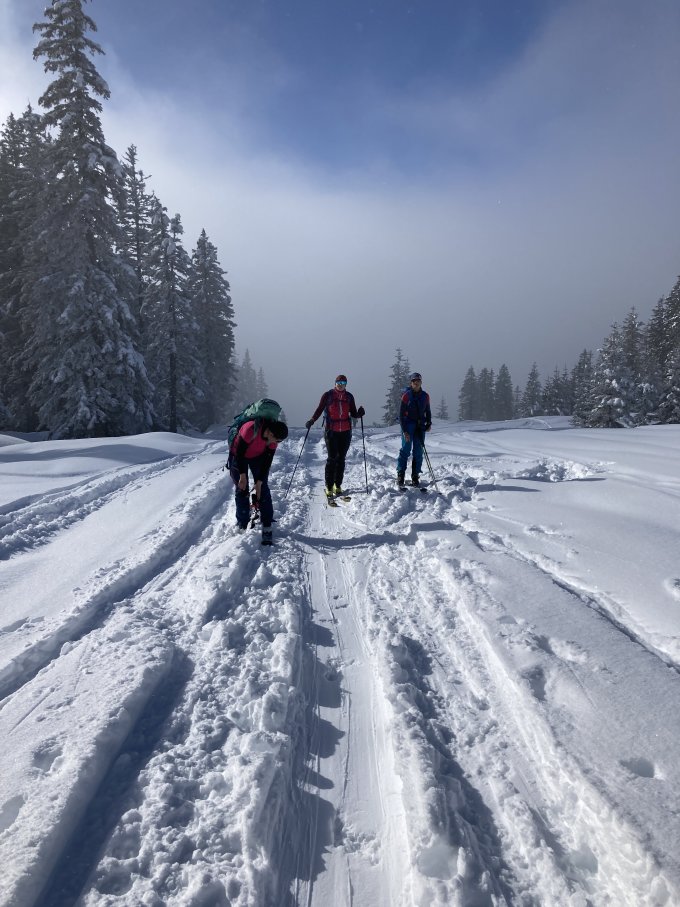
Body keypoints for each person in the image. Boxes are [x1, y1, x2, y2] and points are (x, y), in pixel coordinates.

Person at [228, 417, 288, 544]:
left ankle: (267, 523)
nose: (277, 443)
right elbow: (240, 453)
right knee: (242, 488)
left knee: (263, 488)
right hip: (238, 455)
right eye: (277, 440)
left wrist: (259, 482)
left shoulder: (273, 441)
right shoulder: (250, 429)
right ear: (270, 433)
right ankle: (242, 522)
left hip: (257, 456)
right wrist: (243, 476)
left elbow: (267, 461)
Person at [306, 374, 365, 498]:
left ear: (346, 384)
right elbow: (319, 409)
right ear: (335, 383)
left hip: (346, 432)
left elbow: (353, 413)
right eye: (339, 383)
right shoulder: (327, 395)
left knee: (341, 459)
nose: (341, 385)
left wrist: (360, 414)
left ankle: (337, 485)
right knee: (332, 458)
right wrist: (312, 420)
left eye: (343, 383)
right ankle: (329, 486)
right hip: (331, 431)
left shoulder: (349, 396)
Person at [397, 372, 432, 487]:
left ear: (421, 382)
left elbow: (428, 411)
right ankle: (400, 474)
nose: (416, 383)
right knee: (406, 449)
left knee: (418, 451)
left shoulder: (425, 396)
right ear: (411, 383)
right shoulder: (406, 396)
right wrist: (405, 431)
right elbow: (401, 415)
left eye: (418, 381)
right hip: (408, 425)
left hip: (420, 426)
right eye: (414, 381)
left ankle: (415, 476)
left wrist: (429, 423)